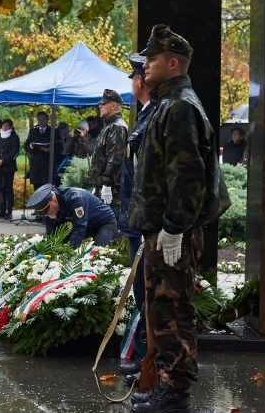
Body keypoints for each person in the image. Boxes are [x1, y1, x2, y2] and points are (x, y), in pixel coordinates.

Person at [128, 24, 230, 413]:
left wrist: (174, 228)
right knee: (160, 309)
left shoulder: (180, 106)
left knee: (173, 309)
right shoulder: (167, 104)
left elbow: (187, 178)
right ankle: (169, 384)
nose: (145, 65)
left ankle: (176, 392)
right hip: (162, 230)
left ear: (173, 63)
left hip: (174, 233)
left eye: (151, 59)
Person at [116, 54, 156, 381]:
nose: (132, 82)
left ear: (140, 81)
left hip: (146, 226)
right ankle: (144, 361)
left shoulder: (153, 116)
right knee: (142, 294)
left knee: (148, 294)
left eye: (133, 77)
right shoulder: (144, 115)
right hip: (136, 223)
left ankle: (148, 363)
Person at [27, 184, 116, 248]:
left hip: (102, 223)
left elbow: (80, 227)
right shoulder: (45, 208)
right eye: (42, 213)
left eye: (46, 211)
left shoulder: (76, 198)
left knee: (95, 252)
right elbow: (52, 233)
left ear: (54, 200)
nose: (45, 215)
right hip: (82, 225)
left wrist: (69, 251)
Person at [89, 89, 129, 220]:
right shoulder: (110, 126)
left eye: (103, 103)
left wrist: (106, 183)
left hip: (112, 189)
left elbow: (115, 158)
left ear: (113, 105)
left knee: (111, 227)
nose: (100, 106)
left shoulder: (117, 127)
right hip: (104, 186)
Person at [0, 119, 19, 220]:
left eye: (7, 126)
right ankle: (1, 210)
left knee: (8, 189)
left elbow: (14, 152)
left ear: (10, 127)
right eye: (3, 126)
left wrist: (3, 160)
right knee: (0, 189)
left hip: (8, 167)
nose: (4, 128)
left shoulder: (14, 137)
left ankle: (9, 210)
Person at [24, 111, 52, 218]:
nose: (41, 121)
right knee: (36, 189)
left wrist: (49, 149)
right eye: (39, 119)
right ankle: (37, 211)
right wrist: (30, 147)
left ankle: (45, 212)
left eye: (43, 119)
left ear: (47, 120)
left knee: (45, 188)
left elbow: (58, 146)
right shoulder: (33, 131)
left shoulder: (52, 131)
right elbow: (26, 145)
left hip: (46, 164)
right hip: (35, 164)